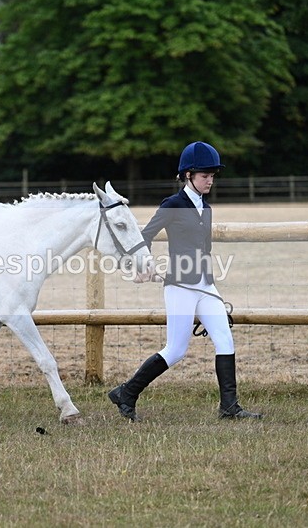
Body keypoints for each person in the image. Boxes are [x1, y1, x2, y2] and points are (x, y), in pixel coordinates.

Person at [108, 141, 262, 421]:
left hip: (206, 286)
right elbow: (145, 236)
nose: (210, 181)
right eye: (205, 176)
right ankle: (126, 393)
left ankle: (229, 407)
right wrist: (143, 265)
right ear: (188, 175)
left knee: (225, 341)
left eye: (212, 176)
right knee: (176, 350)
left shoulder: (206, 207)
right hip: (180, 288)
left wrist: (210, 285)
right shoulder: (172, 205)